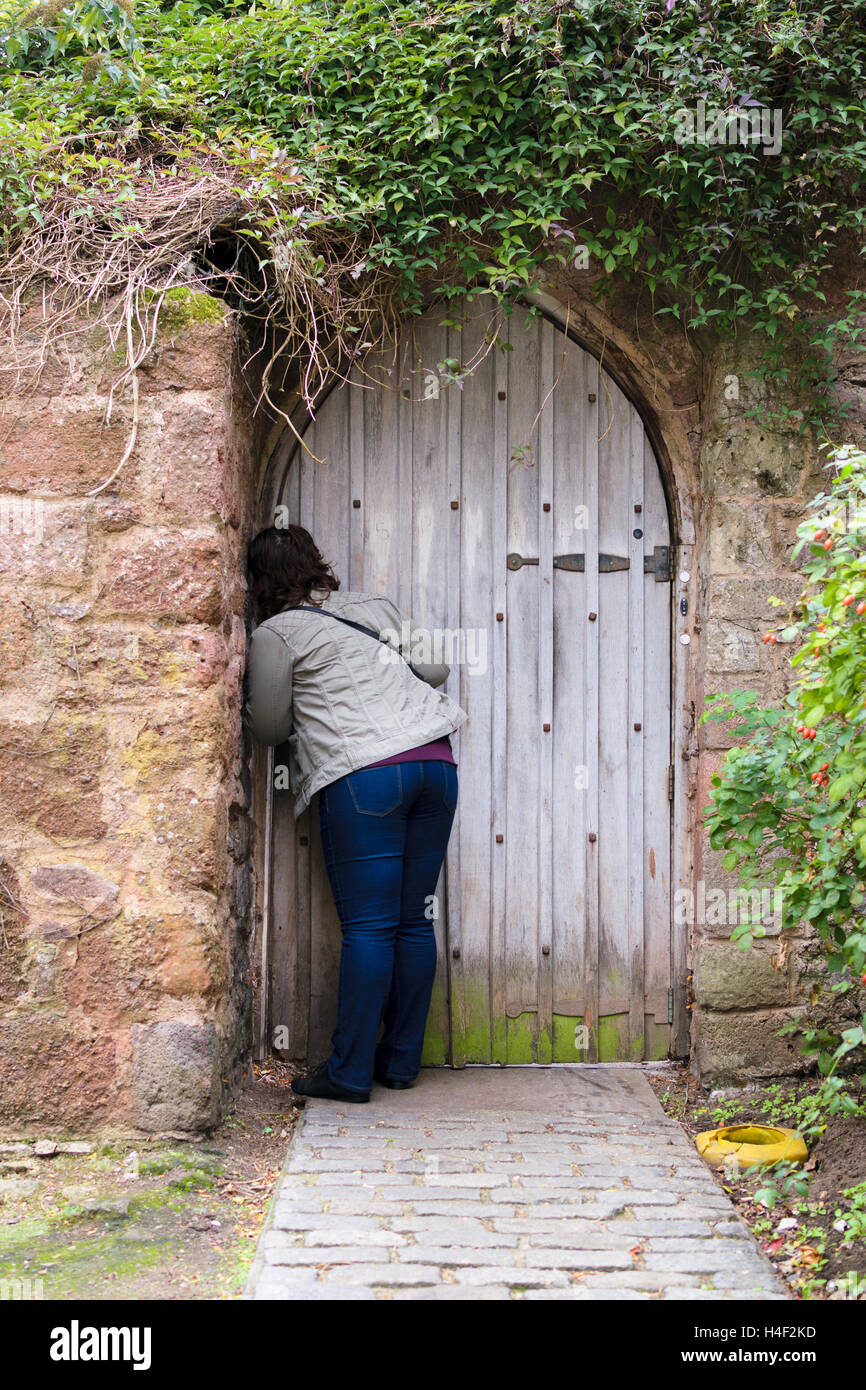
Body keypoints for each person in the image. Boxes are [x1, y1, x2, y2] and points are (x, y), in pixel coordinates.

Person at [244, 524, 468, 1103]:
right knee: (414, 921)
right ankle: (399, 1065)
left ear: (262, 582)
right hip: (436, 765)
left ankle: (347, 1075)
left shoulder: (277, 633)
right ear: (316, 562)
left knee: (369, 927)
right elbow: (437, 670)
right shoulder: (371, 606)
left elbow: (269, 728)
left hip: (366, 775)